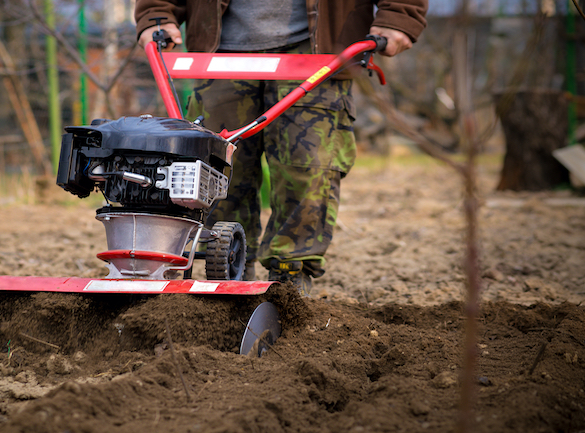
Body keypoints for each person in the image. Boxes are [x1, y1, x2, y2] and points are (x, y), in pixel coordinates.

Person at [135, 0, 427, 295]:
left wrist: (400, 15)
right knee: (215, 170)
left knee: (307, 167)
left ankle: (290, 281)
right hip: (219, 49)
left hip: (317, 50)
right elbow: (156, 8)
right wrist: (156, 13)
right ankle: (225, 268)